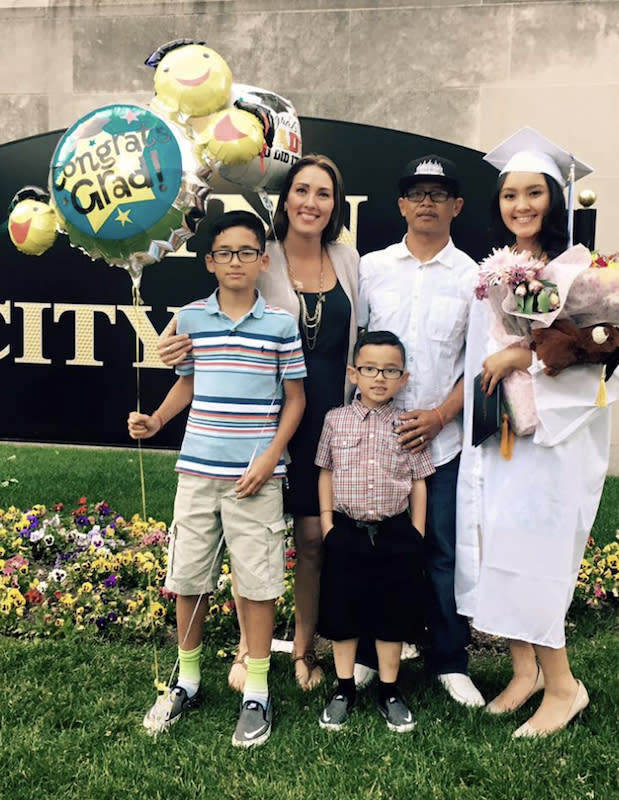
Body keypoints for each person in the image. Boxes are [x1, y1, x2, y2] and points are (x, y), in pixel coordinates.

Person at [157, 155, 359, 692]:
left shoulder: (348, 258)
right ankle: (250, 649)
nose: (311, 202)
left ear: (335, 205)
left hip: (328, 419)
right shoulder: (258, 255)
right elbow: (213, 307)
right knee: (251, 535)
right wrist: (175, 339)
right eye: (301, 190)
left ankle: (302, 650)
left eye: (323, 193)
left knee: (314, 540)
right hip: (263, 425)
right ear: (283, 199)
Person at [455, 128, 619, 737]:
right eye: (510, 195)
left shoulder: (580, 269)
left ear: (555, 200)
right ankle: (524, 671)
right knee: (499, 543)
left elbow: (603, 354)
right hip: (504, 434)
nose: (521, 205)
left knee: (534, 552)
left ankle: (563, 687)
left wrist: (523, 359)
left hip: (556, 440)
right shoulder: (503, 270)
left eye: (535, 193)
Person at [128, 210, 306, 747]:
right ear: (209, 262)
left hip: (256, 477)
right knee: (189, 576)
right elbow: (186, 384)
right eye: (225, 252)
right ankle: (187, 679)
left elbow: (295, 401)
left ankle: (256, 689)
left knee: (257, 580)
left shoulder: (280, 323)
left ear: (263, 261)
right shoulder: (190, 319)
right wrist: (156, 420)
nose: (235, 261)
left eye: (246, 252)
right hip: (198, 471)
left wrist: (270, 457)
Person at [357, 155, 484, 706]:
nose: (427, 202)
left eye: (439, 193)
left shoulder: (476, 278)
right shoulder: (371, 268)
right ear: (402, 204)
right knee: (371, 547)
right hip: (375, 443)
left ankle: (449, 660)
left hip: (442, 443)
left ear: (456, 205)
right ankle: (364, 655)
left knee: (441, 552)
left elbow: (479, 364)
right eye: (417, 192)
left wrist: (438, 417)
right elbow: (354, 347)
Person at [315, 330, 435, 732]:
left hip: (396, 534)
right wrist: (329, 524)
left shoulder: (409, 424)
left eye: (390, 371)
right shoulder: (335, 420)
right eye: (369, 369)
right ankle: (344, 687)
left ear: (403, 378)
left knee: (392, 613)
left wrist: (416, 533)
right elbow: (326, 472)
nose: (379, 378)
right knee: (343, 610)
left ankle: (389, 689)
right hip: (347, 530)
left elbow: (419, 481)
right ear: (353, 373)